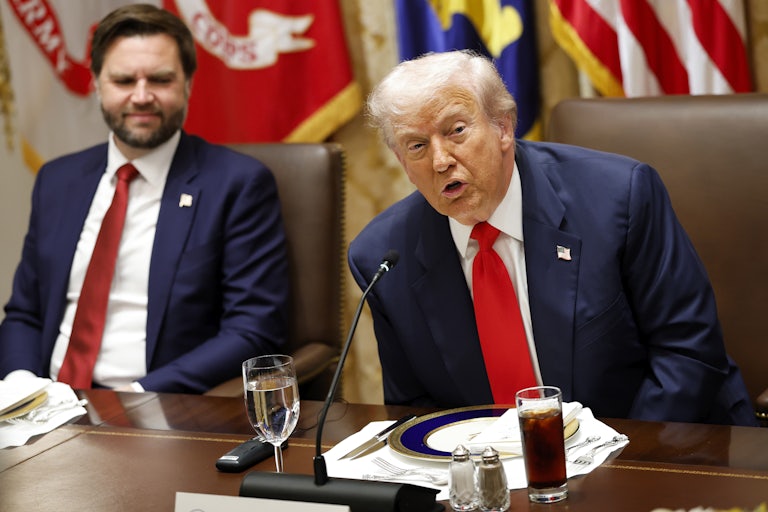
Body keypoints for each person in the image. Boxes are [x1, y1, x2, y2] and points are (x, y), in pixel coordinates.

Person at [348, 50, 757, 426]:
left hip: (661, 450)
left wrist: (614, 469)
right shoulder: (384, 257)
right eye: (417, 146)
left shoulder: (620, 197)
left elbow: (687, 353)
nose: (440, 161)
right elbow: (414, 408)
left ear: (503, 128)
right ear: (402, 161)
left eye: (456, 131)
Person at [0, 4, 289, 393]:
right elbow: (25, 312)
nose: (141, 96)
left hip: (155, 410)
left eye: (160, 79)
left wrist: (138, 398)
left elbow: (253, 330)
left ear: (187, 84)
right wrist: (21, 387)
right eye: (123, 80)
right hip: (48, 406)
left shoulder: (237, 184)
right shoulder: (57, 179)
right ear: (97, 83)